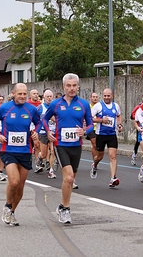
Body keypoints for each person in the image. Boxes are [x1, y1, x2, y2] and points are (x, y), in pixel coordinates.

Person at [40, 73, 94, 224]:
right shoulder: (56, 104)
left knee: (71, 180)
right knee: (68, 177)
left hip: (76, 145)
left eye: (74, 85)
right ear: (63, 87)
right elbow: (44, 119)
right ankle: (66, 210)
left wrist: (84, 131)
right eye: (68, 86)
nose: (71, 88)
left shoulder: (83, 104)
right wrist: (48, 132)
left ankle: (62, 205)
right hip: (60, 144)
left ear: (78, 86)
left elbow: (90, 125)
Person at [0, 83, 40, 226]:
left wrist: (36, 132)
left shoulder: (31, 109)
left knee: (20, 186)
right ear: (13, 93)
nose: (23, 96)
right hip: (8, 150)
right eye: (20, 94)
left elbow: (39, 123)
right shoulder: (5, 107)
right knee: (14, 181)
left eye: (25, 94)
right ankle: (7, 205)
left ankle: (12, 211)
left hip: (25, 151)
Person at [90, 88, 123, 188]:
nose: (107, 97)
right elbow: (90, 118)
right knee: (99, 157)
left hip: (112, 134)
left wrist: (119, 125)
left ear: (111, 96)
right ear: (102, 96)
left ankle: (113, 178)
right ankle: (94, 165)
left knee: (113, 156)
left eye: (108, 96)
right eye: (105, 96)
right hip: (101, 134)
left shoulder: (115, 106)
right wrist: (100, 121)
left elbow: (118, 115)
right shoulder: (98, 106)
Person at [35, 89, 57, 179]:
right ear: (44, 97)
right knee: (44, 154)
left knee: (52, 151)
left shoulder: (56, 107)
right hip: (43, 132)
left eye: (50, 96)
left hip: (53, 132)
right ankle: (39, 160)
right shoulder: (40, 108)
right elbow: (35, 120)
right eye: (47, 96)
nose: (49, 98)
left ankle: (51, 171)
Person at [130, 93, 143, 166]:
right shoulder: (139, 107)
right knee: (138, 142)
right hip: (140, 127)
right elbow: (132, 116)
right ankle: (134, 155)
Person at [86, 92, 99, 170]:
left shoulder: (100, 106)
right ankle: (95, 162)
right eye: (93, 97)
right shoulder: (88, 107)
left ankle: (97, 160)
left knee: (98, 146)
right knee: (94, 144)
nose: (95, 98)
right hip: (91, 128)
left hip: (99, 128)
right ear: (90, 98)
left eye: (96, 97)